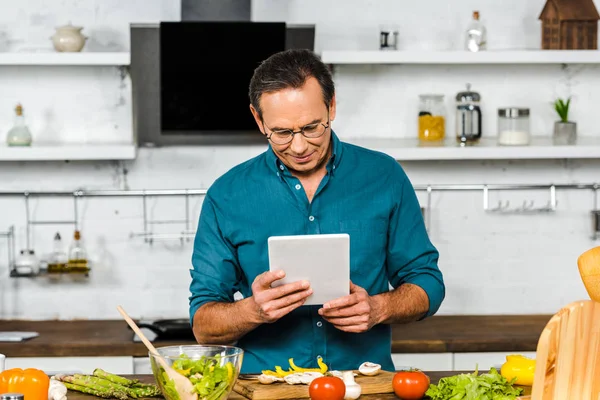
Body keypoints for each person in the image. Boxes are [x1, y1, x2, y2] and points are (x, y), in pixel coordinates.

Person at [189, 48, 445, 374]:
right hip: (264, 389)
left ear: (332, 106)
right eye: (282, 132)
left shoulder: (384, 176)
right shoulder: (226, 195)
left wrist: (380, 307)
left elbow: (428, 283)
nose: (299, 147)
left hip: (364, 385)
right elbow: (203, 325)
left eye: (312, 127)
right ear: (258, 119)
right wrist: (253, 310)